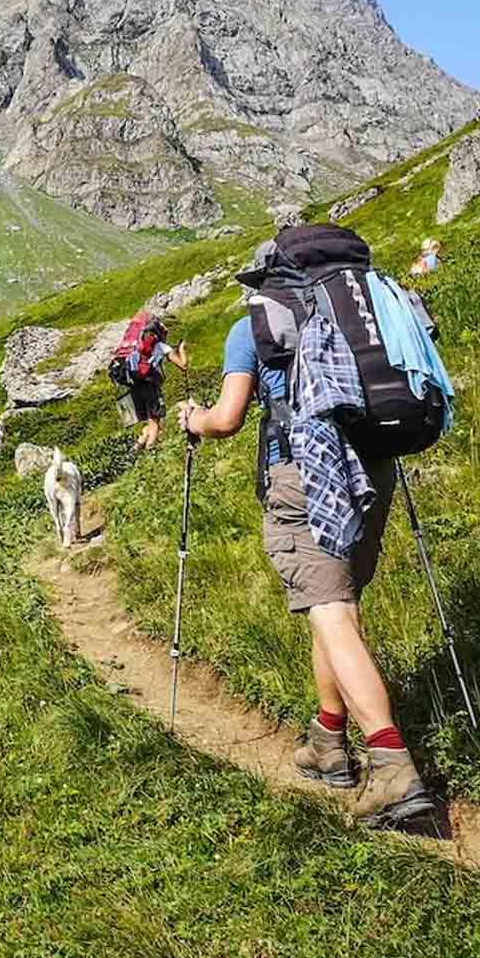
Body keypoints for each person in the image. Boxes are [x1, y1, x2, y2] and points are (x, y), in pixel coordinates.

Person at [176, 242, 434, 830]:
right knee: (336, 606)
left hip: (303, 475)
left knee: (330, 609)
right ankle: (328, 740)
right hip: (372, 467)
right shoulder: (366, 310)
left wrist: (193, 418)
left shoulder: (253, 326)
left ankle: (392, 766)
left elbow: (228, 419)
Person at [131, 319, 189, 452]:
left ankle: (136, 449)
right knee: (156, 423)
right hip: (151, 387)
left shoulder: (138, 347)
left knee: (151, 421)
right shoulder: (162, 347)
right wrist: (181, 350)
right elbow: (183, 365)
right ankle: (151, 451)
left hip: (136, 387)